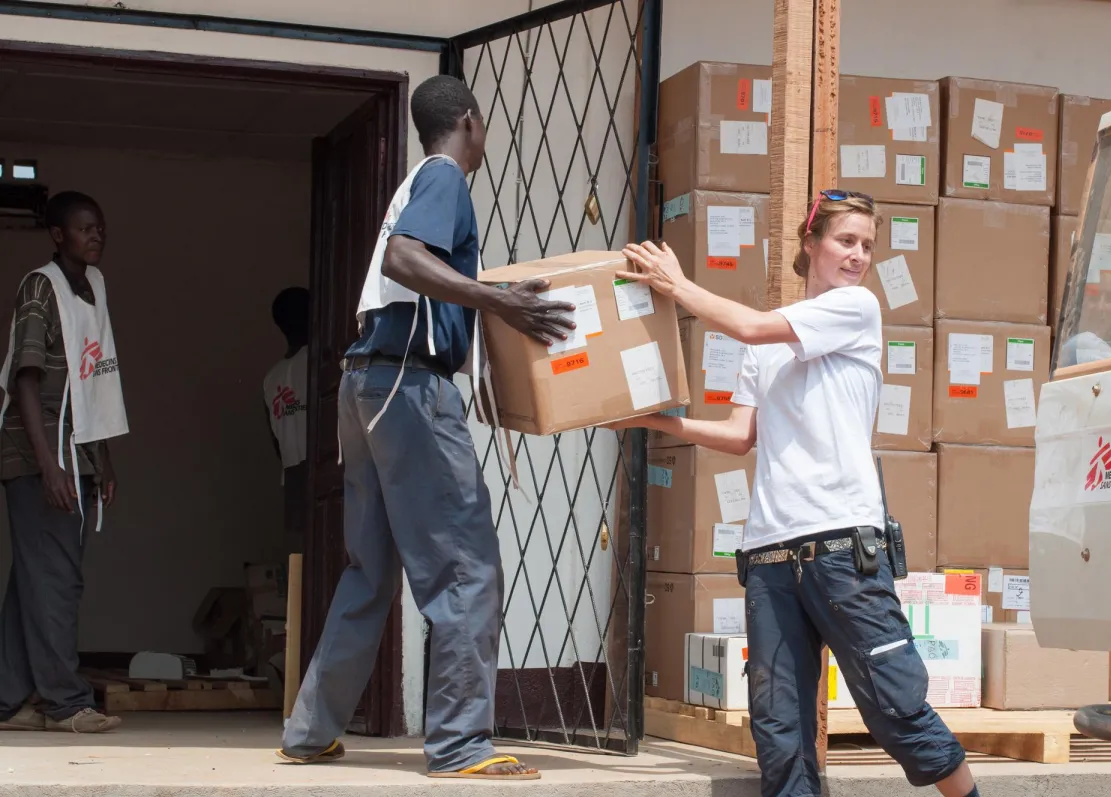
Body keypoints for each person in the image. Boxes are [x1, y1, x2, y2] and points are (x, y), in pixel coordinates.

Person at [609, 191, 980, 797]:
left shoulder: (855, 308)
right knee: (779, 728)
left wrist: (675, 285)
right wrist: (651, 422)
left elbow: (750, 322)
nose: (858, 255)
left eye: (867, 244)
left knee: (896, 707)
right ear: (811, 245)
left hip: (842, 549)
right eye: (845, 240)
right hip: (771, 558)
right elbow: (738, 436)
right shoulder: (762, 347)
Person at [277, 75, 575, 779]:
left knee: (370, 569)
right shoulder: (444, 178)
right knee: (468, 567)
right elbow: (404, 260)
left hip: (369, 383)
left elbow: (410, 274)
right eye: (484, 123)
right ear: (469, 122)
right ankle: (460, 743)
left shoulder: (412, 183)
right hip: (407, 389)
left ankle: (310, 730)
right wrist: (497, 300)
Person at [0, 191, 128, 734]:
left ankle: (10, 699)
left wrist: (103, 459)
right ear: (57, 235)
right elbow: (25, 378)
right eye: (83, 228)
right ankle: (64, 702)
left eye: (99, 227)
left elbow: (89, 382)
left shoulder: (93, 287)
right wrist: (48, 464)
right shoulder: (41, 286)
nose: (94, 235)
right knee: (55, 579)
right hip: (39, 456)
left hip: (77, 452)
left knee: (35, 578)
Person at [263, 287, 309, 554]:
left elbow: (275, 440)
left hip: (292, 475)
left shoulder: (270, 379)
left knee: (304, 558)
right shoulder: (322, 361)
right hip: (327, 470)